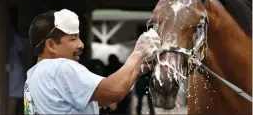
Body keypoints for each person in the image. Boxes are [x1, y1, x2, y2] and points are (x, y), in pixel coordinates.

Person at [24, 9, 161, 114]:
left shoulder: (32, 76)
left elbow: (104, 98)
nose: (81, 45)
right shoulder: (61, 67)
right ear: (51, 45)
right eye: (73, 39)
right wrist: (138, 53)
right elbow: (114, 91)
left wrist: (138, 69)